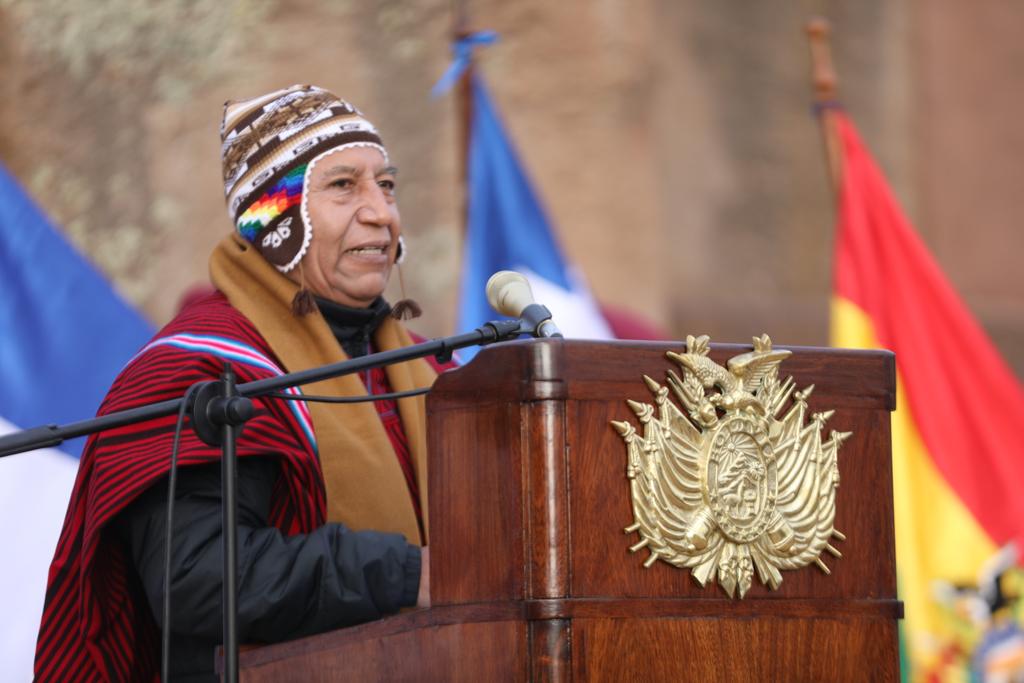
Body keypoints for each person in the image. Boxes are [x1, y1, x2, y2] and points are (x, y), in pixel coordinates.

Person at [34, 85, 451, 682]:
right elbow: (195, 578)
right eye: (343, 185)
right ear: (276, 217)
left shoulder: (431, 371)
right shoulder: (200, 371)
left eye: (386, 185)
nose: (381, 212)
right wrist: (405, 574)